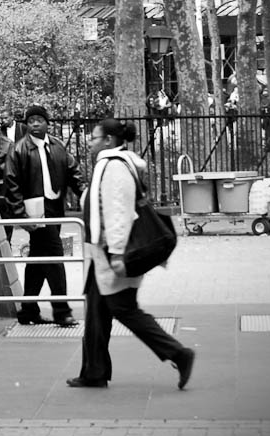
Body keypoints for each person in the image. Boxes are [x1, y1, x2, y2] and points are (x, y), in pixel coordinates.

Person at [67, 118, 195, 390]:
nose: (89, 142)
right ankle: (94, 371)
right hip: (103, 253)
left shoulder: (113, 166)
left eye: (94, 137)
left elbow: (118, 211)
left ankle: (178, 353)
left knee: (124, 309)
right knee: (97, 312)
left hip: (113, 253)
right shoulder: (115, 164)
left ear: (109, 140)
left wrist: (116, 254)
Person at [4, 103, 82, 327]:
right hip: (35, 211)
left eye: (39, 120)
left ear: (47, 123)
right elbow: (12, 184)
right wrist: (21, 216)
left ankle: (28, 310)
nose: (35, 124)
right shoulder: (18, 150)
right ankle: (62, 311)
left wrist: (85, 194)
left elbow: (73, 172)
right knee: (54, 255)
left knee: (38, 260)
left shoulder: (57, 146)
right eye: (31, 121)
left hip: (54, 207)